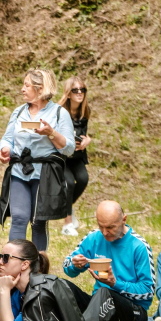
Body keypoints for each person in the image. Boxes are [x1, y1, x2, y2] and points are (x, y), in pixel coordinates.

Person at [0, 69, 75, 252]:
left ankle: (38, 271)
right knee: (19, 218)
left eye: (26, 85)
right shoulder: (18, 112)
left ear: (40, 89)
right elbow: (7, 138)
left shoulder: (59, 114)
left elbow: (69, 148)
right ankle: (14, 266)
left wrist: (51, 133)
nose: (22, 89)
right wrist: (4, 149)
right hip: (19, 172)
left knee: (38, 222)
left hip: (45, 174)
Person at [62, 201, 155, 321]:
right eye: (101, 226)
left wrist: (115, 284)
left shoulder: (139, 246)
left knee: (104, 292)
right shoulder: (94, 238)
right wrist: (74, 264)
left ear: (124, 220)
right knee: (61, 286)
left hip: (133, 312)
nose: (105, 232)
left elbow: (148, 291)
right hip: (100, 306)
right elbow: (67, 266)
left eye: (111, 227)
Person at [58, 76, 91, 237]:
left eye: (82, 90)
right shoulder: (59, 111)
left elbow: (84, 133)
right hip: (62, 156)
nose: (79, 93)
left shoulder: (85, 110)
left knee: (83, 179)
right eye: (75, 90)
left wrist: (87, 140)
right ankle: (67, 223)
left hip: (77, 156)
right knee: (68, 183)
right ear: (68, 93)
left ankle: (66, 209)